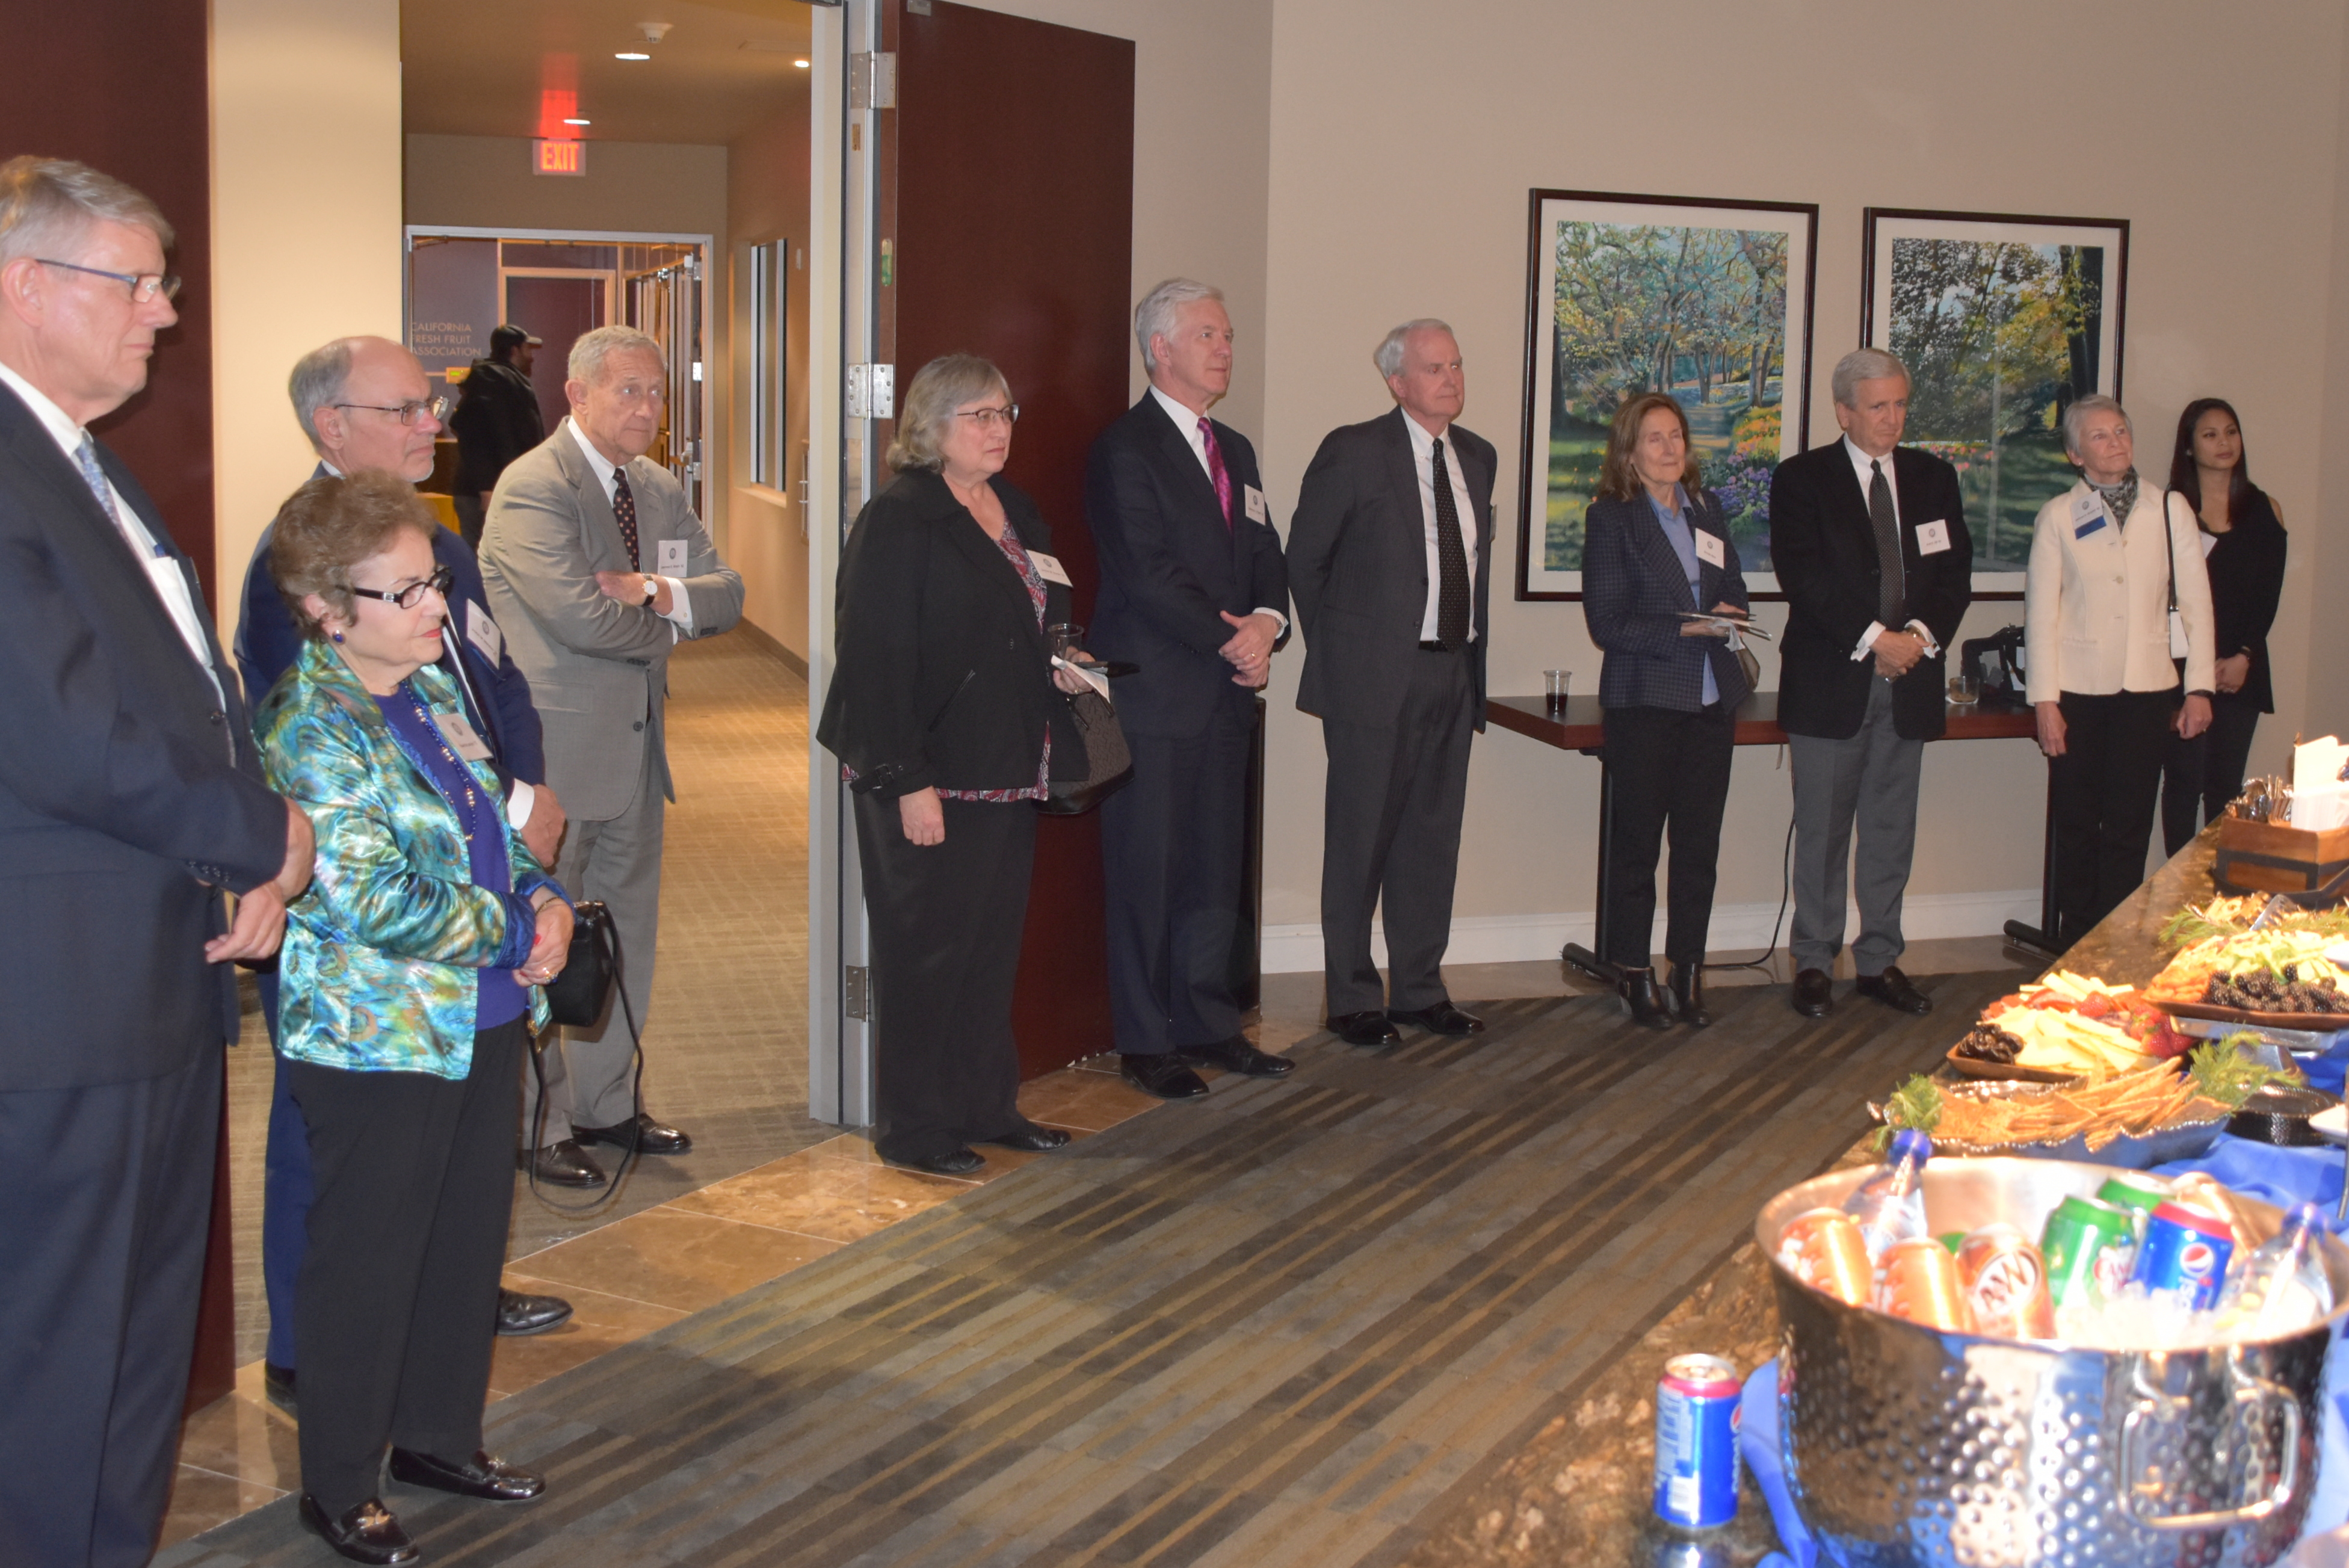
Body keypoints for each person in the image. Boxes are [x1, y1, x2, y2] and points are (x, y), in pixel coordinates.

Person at [0, 155, 312, 1568]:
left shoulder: (82, 458)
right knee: (54, 1373)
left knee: (129, 1364)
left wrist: (243, 838)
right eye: (136, 284)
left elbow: (189, 687)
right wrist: (264, 835)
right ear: (27, 284)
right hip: (55, 1007)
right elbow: (61, 728)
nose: (165, 313)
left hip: (147, 977)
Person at [234, 335, 576, 1419]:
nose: (433, 422)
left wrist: (521, 799)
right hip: (379, 952)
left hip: (474, 885)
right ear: (332, 425)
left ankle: (443, 1331)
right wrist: (509, 892)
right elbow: (330, 757)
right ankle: (311, 1348)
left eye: (430, 404)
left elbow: (490, 678)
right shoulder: (301, 564)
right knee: (339, 1166)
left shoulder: (434, 539)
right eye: (404, 408)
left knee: (454, 1176)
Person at [818, 355, 1094, 1174]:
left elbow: (1038, 610)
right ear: (931, 426)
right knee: (924, 955)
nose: (999, 428)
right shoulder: (901, 518)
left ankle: (985, 1105)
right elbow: (872, 660)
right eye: (980, 415)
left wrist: (1065, 656)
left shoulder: (1014, 506)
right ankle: (914, 1127)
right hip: (924, 771)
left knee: (986, 951)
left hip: (1007, 761)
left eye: (1005, 412)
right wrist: (909, 781)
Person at [480, 324, 744, 1172]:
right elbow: (579, 618)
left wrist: (654, 589)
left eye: (657, 391)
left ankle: (606, 1106)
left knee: (622, 937)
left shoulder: (657, 488)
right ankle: (539, 1124)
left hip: (637, 757)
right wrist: (670, 622)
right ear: (577, 394)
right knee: (542, 938)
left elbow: (727, 594)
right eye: (629, 389)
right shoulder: (534, 486)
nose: (647, 407)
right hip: (556, 762)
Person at [1085, 279, 1294, 1099]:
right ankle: (1146, 1041)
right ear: (1159, 348)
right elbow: (1147, 574)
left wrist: (1269, 622)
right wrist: (1232, 637)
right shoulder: (1124, 448)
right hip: (1156, 697)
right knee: (1148, 873)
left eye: (1228, 335)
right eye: (1208, 334)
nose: (1225, 348)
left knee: (1215, 871)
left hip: (1226, 696)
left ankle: (1209, 1022)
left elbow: (1266, 550)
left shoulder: (1234, 449)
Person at [1288, 319, 1494, 1048]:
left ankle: (1419, 988)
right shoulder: (1353, 451)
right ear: (1396, 381)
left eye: (1457, 364)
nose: (1451, 378)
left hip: (1452, 670)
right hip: (1373, 680)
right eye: (1435, 368)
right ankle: (1350, 998)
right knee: (1360, 841)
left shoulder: (1478, 456)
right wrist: (1348, 656)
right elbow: (1304, 561)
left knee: (1431, 840)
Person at [1769, 347, 1974, 1020]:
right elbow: (1804, 576)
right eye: (1878, 407)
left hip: (1908, 680)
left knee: (1890, 831)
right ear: (1844, 412)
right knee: (1823, 832)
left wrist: (1914, 638)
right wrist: (1874, 638)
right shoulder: (1802, 479)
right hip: (1832, 678)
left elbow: (1954, 573)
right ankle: (1814, 961)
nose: (1893, 419)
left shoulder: (1933, 477)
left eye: (1900, 405)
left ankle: (1880, 960)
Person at [1581, 394, 1752, 1029]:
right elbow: (1608, 622)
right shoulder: (1612, 519)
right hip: (1646, 701)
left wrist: (1730, 612)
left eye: (1676, 435)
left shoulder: (1707, 510)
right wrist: (1686, 628)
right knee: (1637, 849)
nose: (1670, 447)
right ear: (1629, 452)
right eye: (1655, 438)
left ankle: (1688, 969)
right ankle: (1633, 971)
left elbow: (1733, 585)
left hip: (1711, 699)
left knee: (1698, 848)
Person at [2025, 394, 2215, 946]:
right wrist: (2045, 702)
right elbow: (2041, 614)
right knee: (2077, 822)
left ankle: (2114, 943)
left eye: (2121, 431)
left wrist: (2200, 688)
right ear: (2075, 454)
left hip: (2148, 690)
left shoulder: (2170, 508)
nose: (2115, 443)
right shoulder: (2058, 516)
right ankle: (2076, 941)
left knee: (2130, 826)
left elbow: (2198, 604)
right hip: (2077, 692)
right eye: (2100, 436)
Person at [2158, 398, 2286, 854]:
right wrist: (2196, 669)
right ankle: (2178, 884)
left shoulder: (2265, 508)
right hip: (2181, 667)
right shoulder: (2169, 509)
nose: (2224, 443)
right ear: (2189, 447)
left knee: (2225, 784)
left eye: (2231, 432)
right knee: (2183, 780)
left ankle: (2220, 883)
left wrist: (2244, 657)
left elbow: (2268, 595)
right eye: (2210, 435)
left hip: (2242, 667)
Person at [448, 323, 545, 546]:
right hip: (485, 494)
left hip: (494, 489)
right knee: (486, 556)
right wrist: (487, 487)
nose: (531, 357)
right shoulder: (492, 381)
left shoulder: (497, 379)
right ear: (514, 350)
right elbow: (476, 437)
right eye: (527, 349)